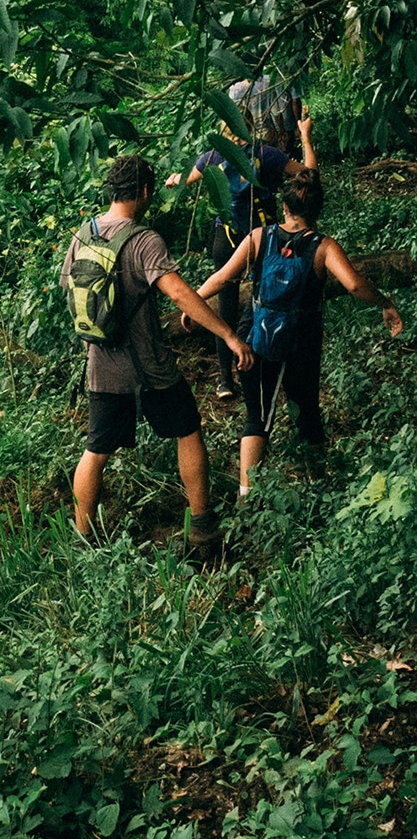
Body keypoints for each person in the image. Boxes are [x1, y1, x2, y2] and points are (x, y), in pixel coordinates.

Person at [62, 155, 255, 545]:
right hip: (150, 367)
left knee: (96, 449)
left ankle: (83, 537)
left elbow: (71, 290)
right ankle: (201, 525)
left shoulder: (83, 233)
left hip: (101, 366)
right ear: (146, 191)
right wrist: (229, 335)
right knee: (188, 430)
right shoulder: (143, 240)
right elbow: (181, 295)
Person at [194, 168, 403, 493]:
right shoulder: (323, 246)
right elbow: (354, 284)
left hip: (257, 341)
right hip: (301, 344)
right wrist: (386, 303)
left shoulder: (259, 237)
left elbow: (223, 278)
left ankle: (247, 498)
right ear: (317, 211)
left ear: (285, 208)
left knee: (256, 419)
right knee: (306, 411)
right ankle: (316, 485)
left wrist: (192, 303)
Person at [165, 109, 317, 398]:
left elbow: (184, 180)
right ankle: (264, 365)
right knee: (266, 298)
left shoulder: (212, 157)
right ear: (249, 127)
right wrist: (306, 138)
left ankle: (225, 380)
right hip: (264, 240)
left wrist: (173, 179)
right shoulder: (266, 154)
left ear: (223, 130)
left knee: (227, 305)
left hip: (228, 236)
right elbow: (309, 175)